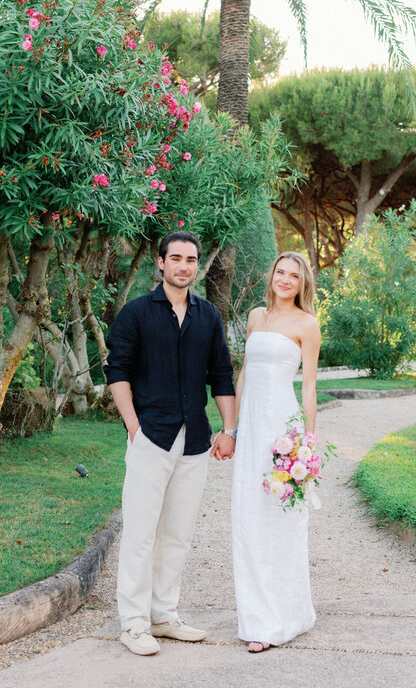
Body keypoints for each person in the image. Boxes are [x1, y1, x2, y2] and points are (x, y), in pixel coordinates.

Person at [104, 230, 237, 656]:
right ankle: (134, 624)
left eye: (191, 259)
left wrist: (228, 429)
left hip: (195, 439)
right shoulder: (137, 313)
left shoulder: (209, 316)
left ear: (197, 265)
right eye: (175, 258)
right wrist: (133, 426)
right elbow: (117, 371)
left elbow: (221, 375)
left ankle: (164, 616)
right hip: (151, 437)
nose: (184, 266)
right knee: (141, 534)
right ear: (160, 263)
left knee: (177, 535)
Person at [231, 251, 321, 653]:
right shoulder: (255, 316)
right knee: (249, 518)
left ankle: (283, 618)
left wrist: (307, 446)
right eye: (280, 272)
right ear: (272, 276)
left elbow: (309, 388)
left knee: (281, 520)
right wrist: (230, 427)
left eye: (294, 275)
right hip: (250, 428)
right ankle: (254, 617)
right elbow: (245, 373)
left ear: (304, 284)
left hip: (282, 431)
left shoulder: (307, 324)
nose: (285, 280)